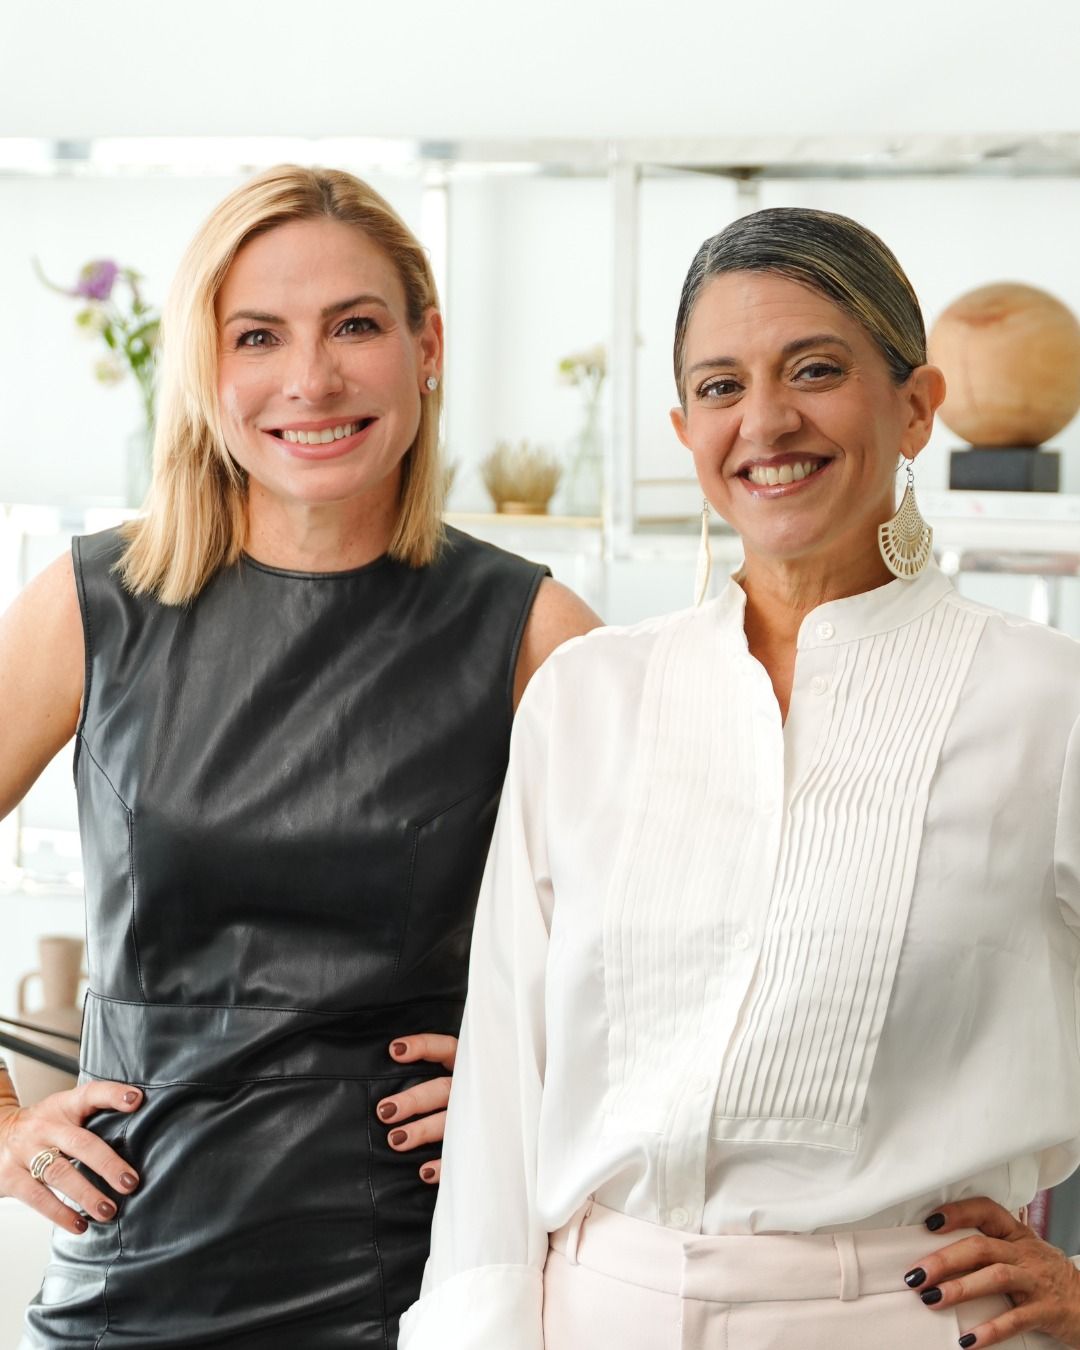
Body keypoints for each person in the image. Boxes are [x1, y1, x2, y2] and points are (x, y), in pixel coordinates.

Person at [399, 207, 1080, 1350]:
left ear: (917, 406)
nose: (766, 421)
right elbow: (505, 1089)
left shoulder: (1047, 703)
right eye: (721, 386)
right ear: (684, 428)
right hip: (595, 1313)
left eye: (815, 370)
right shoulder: (587, 698)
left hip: (913, 1321)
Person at [0, 163, 599, 1348]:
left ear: (428, 347)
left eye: (356, 326)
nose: (311, 380)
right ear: (205, 367)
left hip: (425, 1285)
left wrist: (555, 1082)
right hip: (133, 1277)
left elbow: (699, 944)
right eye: (258, 335)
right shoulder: (90, 604)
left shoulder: (534, 631)